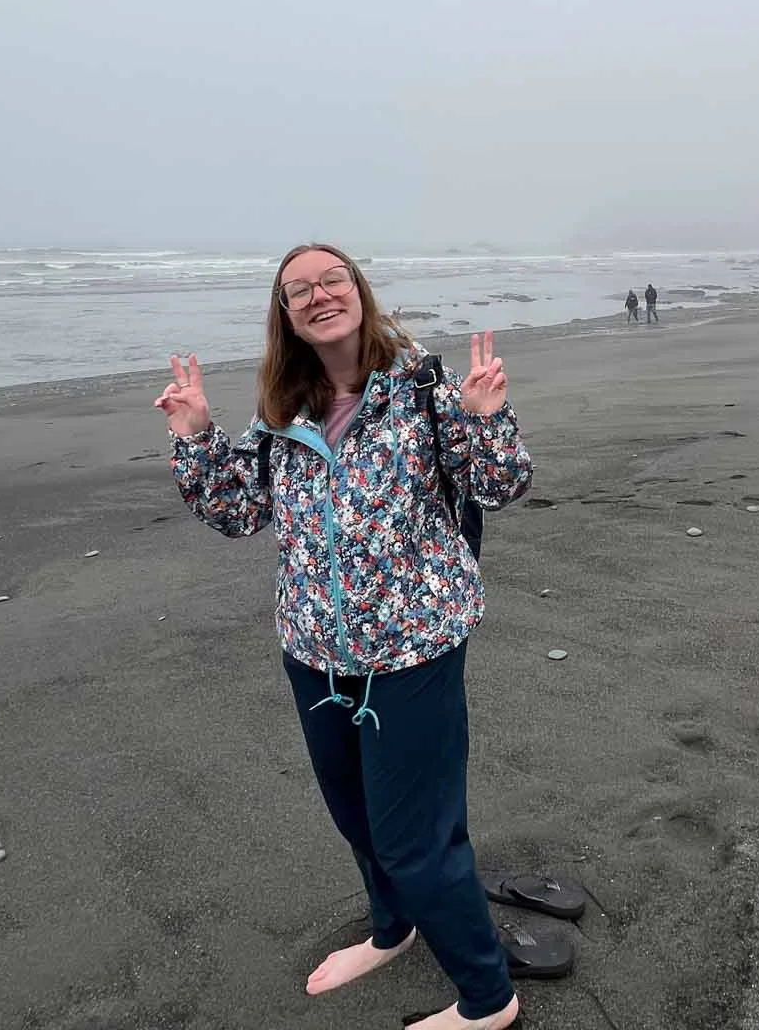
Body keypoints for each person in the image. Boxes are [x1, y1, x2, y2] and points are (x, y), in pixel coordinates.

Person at [157, 244, 532, 1030]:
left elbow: (499, 486)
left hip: (411, 648)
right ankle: (393, 931)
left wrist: (486, 417)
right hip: (316, 655)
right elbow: (240, 513)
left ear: (358, 290)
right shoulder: (284, 409)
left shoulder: (422, 386)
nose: (319, 295)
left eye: (332, 280)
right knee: (358, 818)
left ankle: (489, 1000)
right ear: (286, 314)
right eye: (300, 290)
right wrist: (196, 435)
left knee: (413, 840)